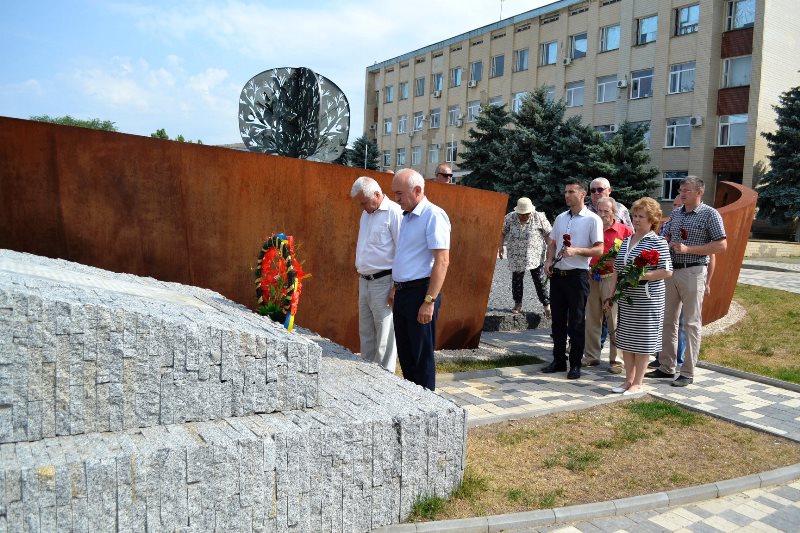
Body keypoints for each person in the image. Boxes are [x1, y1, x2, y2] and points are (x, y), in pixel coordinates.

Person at [646, 176, 727, 387]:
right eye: (681, 189)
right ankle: (666, 366)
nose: (682, 193)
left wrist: (688, 249)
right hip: (672, 271)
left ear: (699, 192)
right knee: (668, 320)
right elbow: (669, 237)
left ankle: (688, 372)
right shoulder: (676, 213)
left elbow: (721, 246)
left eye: (687, 190)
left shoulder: (710, 214)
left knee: (691, 323)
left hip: (693, 271)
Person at [390, 168, 451, 390]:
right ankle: (412, 401)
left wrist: (429, 301)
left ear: (417, 190)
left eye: (399, 193)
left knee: (421, 356)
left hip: (421, 294)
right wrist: (396, 287)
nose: (396, 199)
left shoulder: (433, 215)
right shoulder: (407, 216)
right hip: (404, 293)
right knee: (406, 353)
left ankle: (427, 404)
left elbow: (442, 261)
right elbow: (407, 255)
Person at [605, 197, 672, 395]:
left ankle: (638, 383)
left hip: (648, 300)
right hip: (627, 298)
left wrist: (643, 276)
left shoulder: (657, 242)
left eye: (641, 216)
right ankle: (628, 380)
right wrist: (611, 296)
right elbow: (617, 270)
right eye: (634, 215)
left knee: (642, 342)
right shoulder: (626, 241)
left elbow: (667, 271)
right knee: (626, 339)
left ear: (652, 220)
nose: (636, 220)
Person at [542, 180, 603, 380]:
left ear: (582, 194)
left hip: (577, 276)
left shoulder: (593, 219)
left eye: (571, 192)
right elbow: (552, 242)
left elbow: (599, 249)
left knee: (576, 322)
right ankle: (558, 360)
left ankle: (575, 364)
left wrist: (576, 250)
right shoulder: (560, 217)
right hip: (558, 275)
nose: (567, 195)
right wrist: (548, 261)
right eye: (565, 191)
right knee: (557, 322)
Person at [351, 176, 403, 372]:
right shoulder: (366, 214)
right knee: (366, 332)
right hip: (364, 280)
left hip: (384, 281)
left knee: (384, 335)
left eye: (364, 202)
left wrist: (395, 286)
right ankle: (368, 372)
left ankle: (385, 377)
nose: (362, 207)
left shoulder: (394, 213)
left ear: (377, 194)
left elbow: (402, 251)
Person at [583, 197, 632, 373]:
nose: (602, 214)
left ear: (614, 213)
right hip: (591, 277)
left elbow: (632, 255)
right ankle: (591, 356)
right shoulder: (591, 228)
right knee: (592, 318)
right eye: (599, 211)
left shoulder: (624, 231)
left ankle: (617, 360)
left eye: (606, 211)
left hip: (612, 278)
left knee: (614, 319)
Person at [499, 197, 552, 316]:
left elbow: (548, 234)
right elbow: (502, 232)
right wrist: (500, 246)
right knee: (517, 280)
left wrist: (551, 250)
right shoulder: (510, 217)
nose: (524, 216)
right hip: (516, 255)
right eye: (521, 214)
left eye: (526, 213)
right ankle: (518, 303)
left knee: (539, 280)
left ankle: (547, 305)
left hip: (535, 255)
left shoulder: (539, 217)